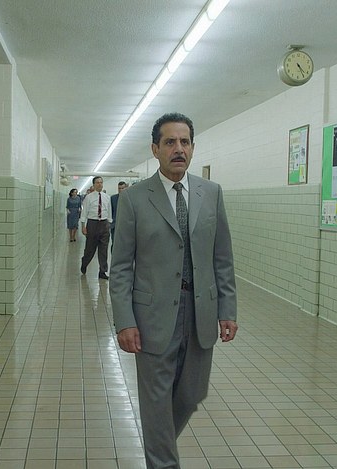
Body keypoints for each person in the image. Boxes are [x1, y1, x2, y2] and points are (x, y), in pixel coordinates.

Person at [110, 112, 238, 468]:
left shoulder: (211, 193)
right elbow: (120, 266)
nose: (178, 149)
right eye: (170, 142)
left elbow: (222, 258)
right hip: (152, 315)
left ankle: (159, 443)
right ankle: (163, 463)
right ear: (155, 149)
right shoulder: (135, 199)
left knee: (192, 394)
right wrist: (124, 320)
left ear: (193, 148)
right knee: (155, 400)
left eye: (185, 142)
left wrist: (227, 309)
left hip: (200, 311)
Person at [79, 176, 112, 279]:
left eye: (101, 182)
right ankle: (85, 262)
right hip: (92, 224)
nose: (100, 184)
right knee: (90, 249)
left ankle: (102, 271)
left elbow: (109, 211)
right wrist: (83, 226)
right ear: (93, 184)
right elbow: (84, 212)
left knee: (103, 249)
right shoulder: (89, 197)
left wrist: (109, 223)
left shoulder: (107, 197)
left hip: (104, 224)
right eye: (97, 182)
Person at [109, 181, 128, 248]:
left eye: (122, 188)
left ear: (126, 188)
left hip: (126, 226)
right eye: (119, 188)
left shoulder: (130, 198)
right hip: (115, 225)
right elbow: (110, 211)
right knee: (114, 244)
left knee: (125, 244)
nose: (121, 190)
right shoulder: (113, 198)